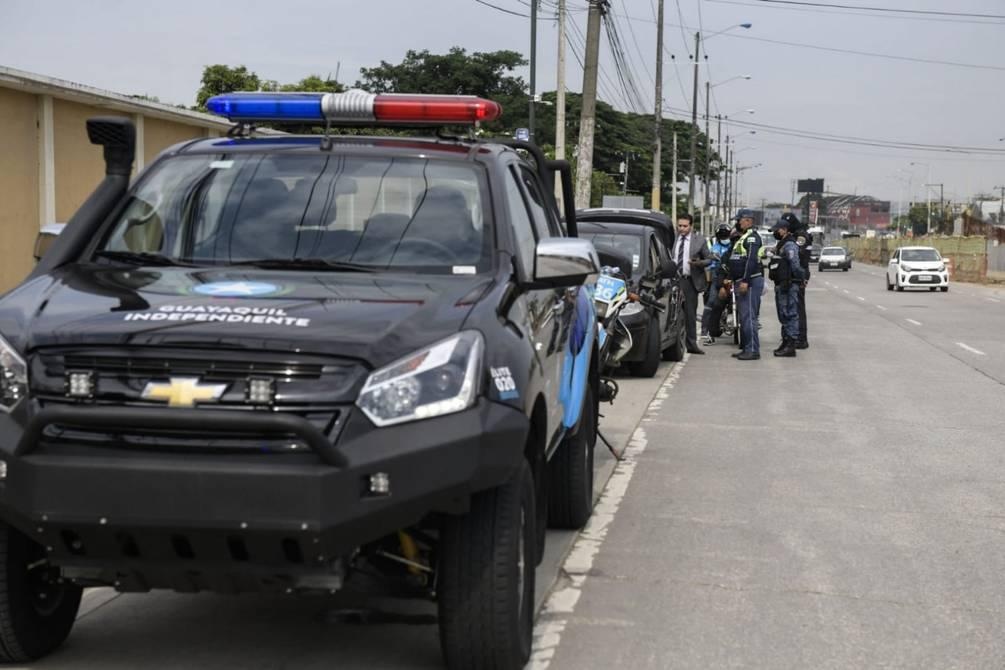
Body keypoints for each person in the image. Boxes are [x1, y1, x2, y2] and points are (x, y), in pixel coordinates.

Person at [671, 213, 713, 354]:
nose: (682, 229)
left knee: (690, 313)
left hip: (690, 281)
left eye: (685, 226)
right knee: (672, 311)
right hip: (673, 281)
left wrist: (698, 263)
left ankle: (691, 344)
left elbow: (709, 259)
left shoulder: (699, 241)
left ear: (691, 226)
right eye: (680, 225)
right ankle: (672, 342)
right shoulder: (672, 239)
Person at [727, 208, 763, 361]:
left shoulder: (752, 238)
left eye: (740, 219)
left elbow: (751, 261)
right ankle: (747, 347)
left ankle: (753, 350)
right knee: (744, 318)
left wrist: (745, 281)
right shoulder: (743, 237)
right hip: (741, 281)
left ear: (748, 220)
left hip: (749, 282)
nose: (738, 222)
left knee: (749, 318)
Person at [767, 217, 806, 357]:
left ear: (784, 230)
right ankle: (785, 341)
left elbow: (795, 265)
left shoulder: (789, 245)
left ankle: (790, 344)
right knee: (783, 315)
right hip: (781, 284)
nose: (775, 232)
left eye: (777, 230)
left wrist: (801, 278)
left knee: (790, 314)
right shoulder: (781, 245)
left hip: (789, 285)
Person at [781, 212, 812, 349]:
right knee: (792, 307)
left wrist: (802, 276)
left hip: (799, 273)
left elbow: (799, 256)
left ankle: (801, 338)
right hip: (792, 273)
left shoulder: (800, 236)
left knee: (798, 307)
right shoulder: (794, 235)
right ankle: (793, 335)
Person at [700, 223, 733, 345]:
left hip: (732, 273)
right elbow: (708, 261)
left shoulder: (735, 243)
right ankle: (705, 330)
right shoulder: (711, 243)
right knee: (712, 301)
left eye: (726, 236)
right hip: (717, 274)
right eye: (722, 236)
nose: (725, 239)